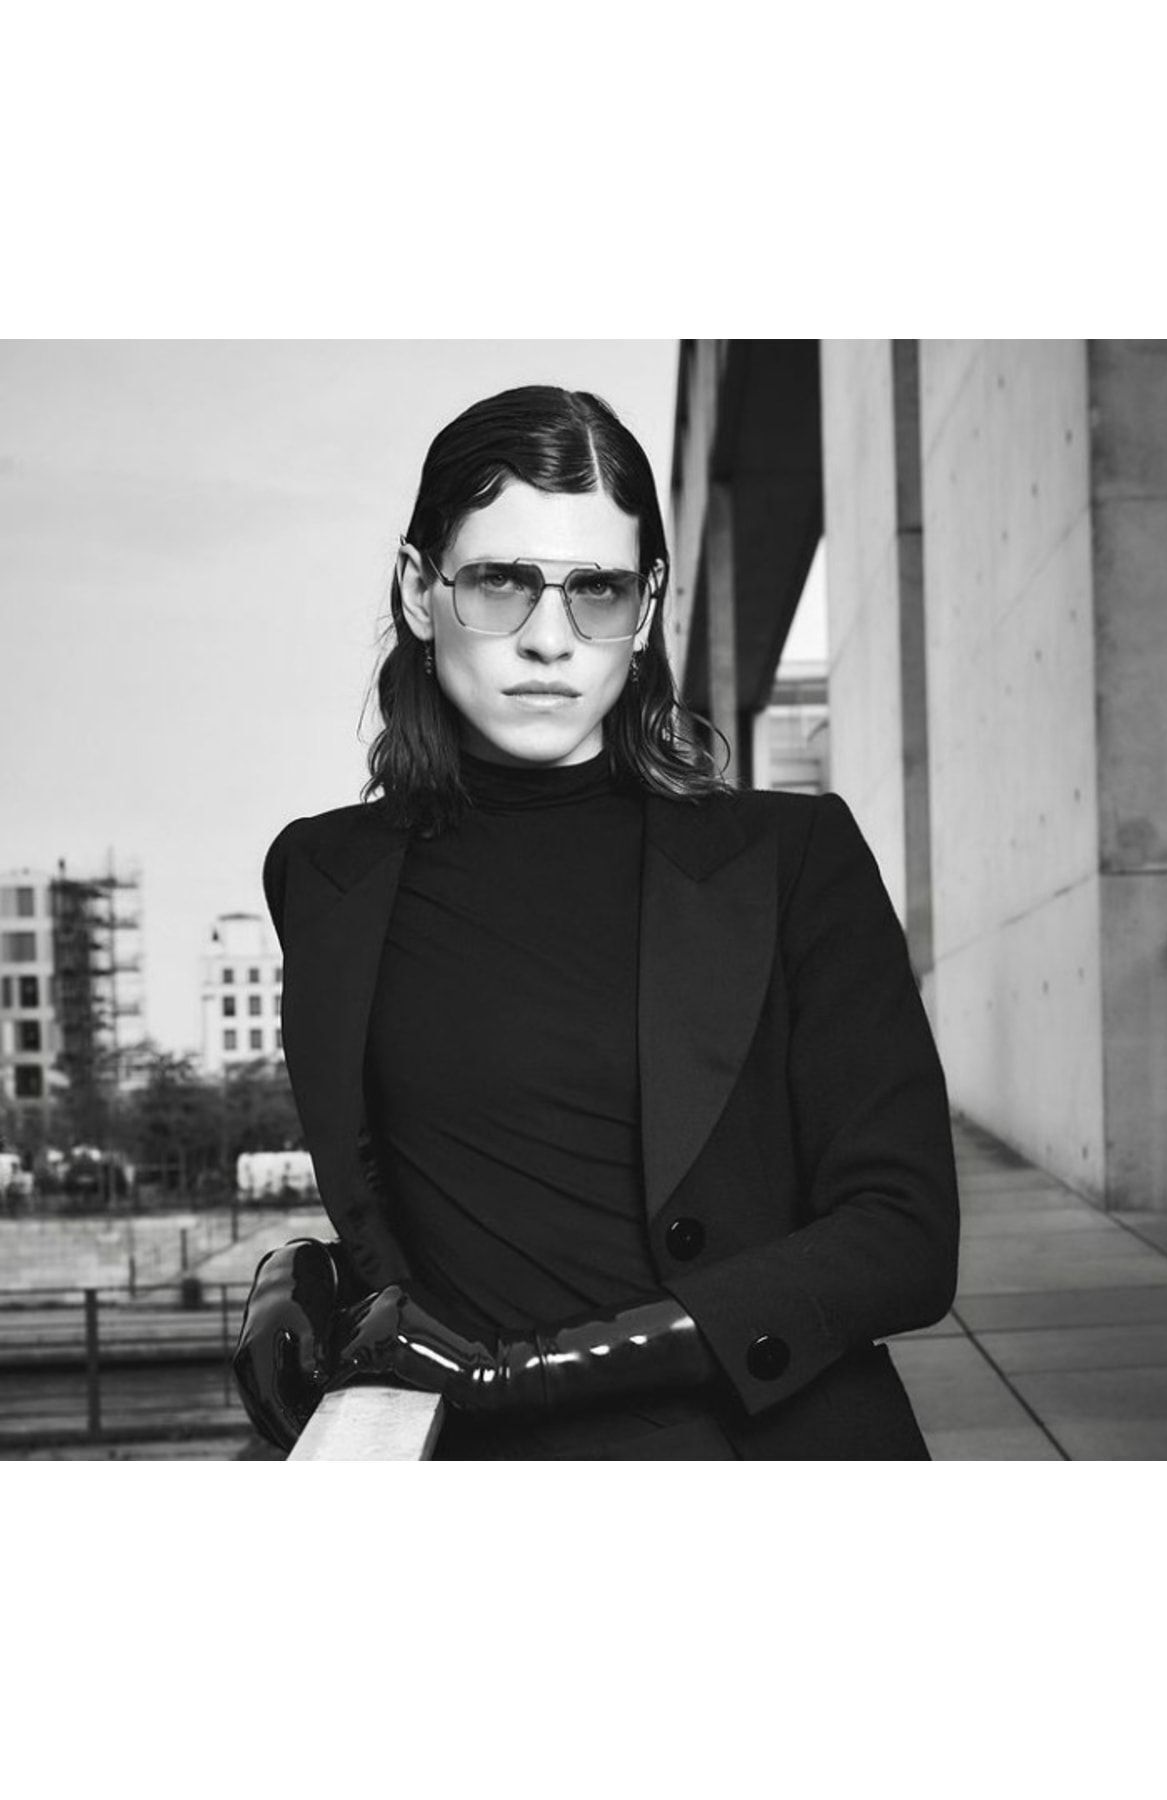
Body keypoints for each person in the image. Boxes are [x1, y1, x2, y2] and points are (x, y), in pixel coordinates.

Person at [232, 383, 960, 1460]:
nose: (550, 641)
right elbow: (413, 1187)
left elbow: (905, 1236)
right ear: (420, 589)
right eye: (500, 582)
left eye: (597, 591)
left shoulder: (790, 856)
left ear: (648, 605)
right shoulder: (323, 876)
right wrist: (296, 1273)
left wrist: (521, 1372)